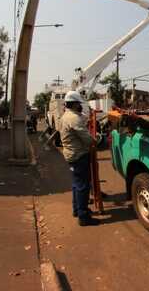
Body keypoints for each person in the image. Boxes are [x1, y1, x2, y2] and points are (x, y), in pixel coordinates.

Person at [59, 91, 99, 226]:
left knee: (77, 184)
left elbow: (82, 118)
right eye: (79, 104)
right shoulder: (74, 119)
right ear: (75, 104)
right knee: (83, 186)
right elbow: (87, 139)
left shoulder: (66, 116)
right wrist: (96, 140)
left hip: (71, 155)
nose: (81, 106)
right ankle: (83, 216)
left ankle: (77, 210)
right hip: (78, 155)